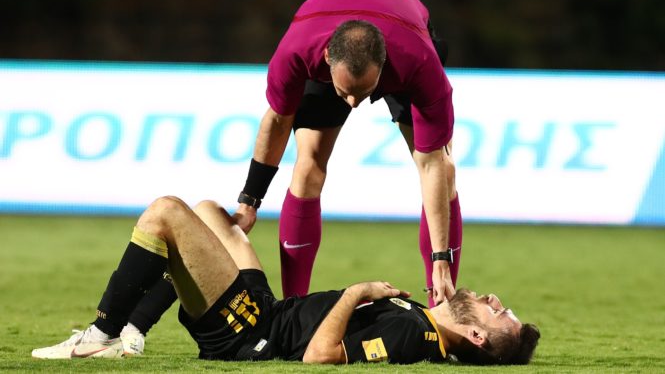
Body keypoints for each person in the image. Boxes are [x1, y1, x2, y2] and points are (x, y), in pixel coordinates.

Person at [32, 196, 540, 364]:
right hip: (268, 310)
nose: (494, 299)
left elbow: (320, 355)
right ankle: (134, 330)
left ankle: (101, 335)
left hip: (250, 333)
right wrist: (446, 299)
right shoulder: (425, 321)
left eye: (499, 312)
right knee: (209, 214)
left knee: (165, 213)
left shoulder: (414, 336)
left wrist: (357, 292)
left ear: (477, 336)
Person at [232, 0, 461, 306]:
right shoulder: (296, 53)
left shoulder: (419, 65)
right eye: (345, 91)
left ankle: (441, 306)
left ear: (384, 65)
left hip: (406, 31)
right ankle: (295, 309)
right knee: (308, 166)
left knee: (445, 170)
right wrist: (249, 203)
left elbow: (433, 166)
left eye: (363, 91)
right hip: (329, 35)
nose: (353, 103)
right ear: (327, 58)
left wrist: (442, 259)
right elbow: (277, 122)